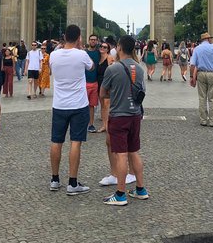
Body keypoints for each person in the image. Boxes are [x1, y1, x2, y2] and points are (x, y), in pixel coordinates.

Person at [99, 35, 149, 206]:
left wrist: (115, 94)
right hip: (135, 115)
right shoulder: (140, 69)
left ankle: (120, 194)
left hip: (119, 115)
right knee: (133, 151)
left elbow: (102, 93)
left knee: (120, 154)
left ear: (119, 47)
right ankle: (140, 189)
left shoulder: (113, 69)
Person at [48, 24, 94, 195]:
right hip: (78, 104)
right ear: (79, 37)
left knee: (56, 141)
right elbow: (91, 67)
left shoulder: (53, 55)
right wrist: (80, 48)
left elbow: (52, 69)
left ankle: (54, 179)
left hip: (59, 104)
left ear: (64, 36)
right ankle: (72, 183)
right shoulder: (81, 54)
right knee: (76, 141)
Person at [85, 33, 100, 132]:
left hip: (95, 82)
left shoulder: (100, 53)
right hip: (84, 82)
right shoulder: (84, 53)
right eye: (91, 39)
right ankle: (82, 123)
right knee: (83, 105)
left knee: (92, 105)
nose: (93, 41)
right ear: (89, 41)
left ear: (97, 41)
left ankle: (91, 124)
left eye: (94, 39)